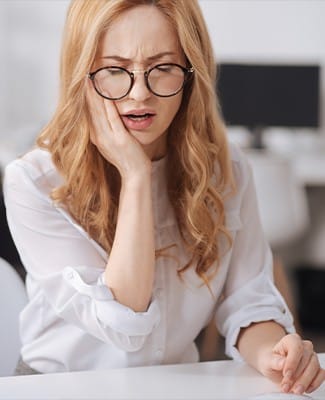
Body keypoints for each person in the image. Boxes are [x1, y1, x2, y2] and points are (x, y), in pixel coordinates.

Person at [3, 0, 324, 394]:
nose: (140, 94)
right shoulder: (33, 181)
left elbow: (248, 302)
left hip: (170, 385)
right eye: (115, 70)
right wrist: (137, 175)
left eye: (164, 68)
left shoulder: (227, 169)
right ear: (82, 74)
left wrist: (277, 354)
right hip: (60, 387)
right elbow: (125, 319)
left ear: (191, 73)